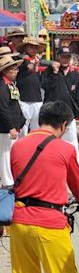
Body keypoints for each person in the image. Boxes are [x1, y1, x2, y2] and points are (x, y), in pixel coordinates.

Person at [9, 101, 79, 273]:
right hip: (51, 224)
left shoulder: (17, 145)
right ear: (64, 125)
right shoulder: (65, 149)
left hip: (19, 222)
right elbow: (78, 189)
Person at [42, 47, 79, 172]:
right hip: (53, 111)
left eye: (68, 57)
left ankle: (76, 162)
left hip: (68, 111)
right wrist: (55, 73)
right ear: (58, 57)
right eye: (63, 57)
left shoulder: (74, 73)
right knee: (51, 139)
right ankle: (50, 163)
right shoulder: (49, 71)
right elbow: (46, 87)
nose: (65, 59)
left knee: (72, 139)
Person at [0, 55, 25, 186]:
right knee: (5, 154)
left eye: (16, 69)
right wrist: (10, 126)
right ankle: (6, 181)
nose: (15, 72)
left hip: (15, 126)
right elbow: (3, 109)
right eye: (12, 70)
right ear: (4, 71)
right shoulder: (2, 87)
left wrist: (20, 121)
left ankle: (11, 178)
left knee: (11, 154)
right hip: (5, 129)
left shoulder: (11, 85)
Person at [16, 37, 44, 137]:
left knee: (36, 128)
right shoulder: (20, 60)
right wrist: (30, 62)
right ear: (25, 48)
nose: (33, 49)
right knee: (23, 129)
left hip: (37, 99)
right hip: (24, 99)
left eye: (35, 47)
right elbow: (28, 66)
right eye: (30, 47)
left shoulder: (38, 60)